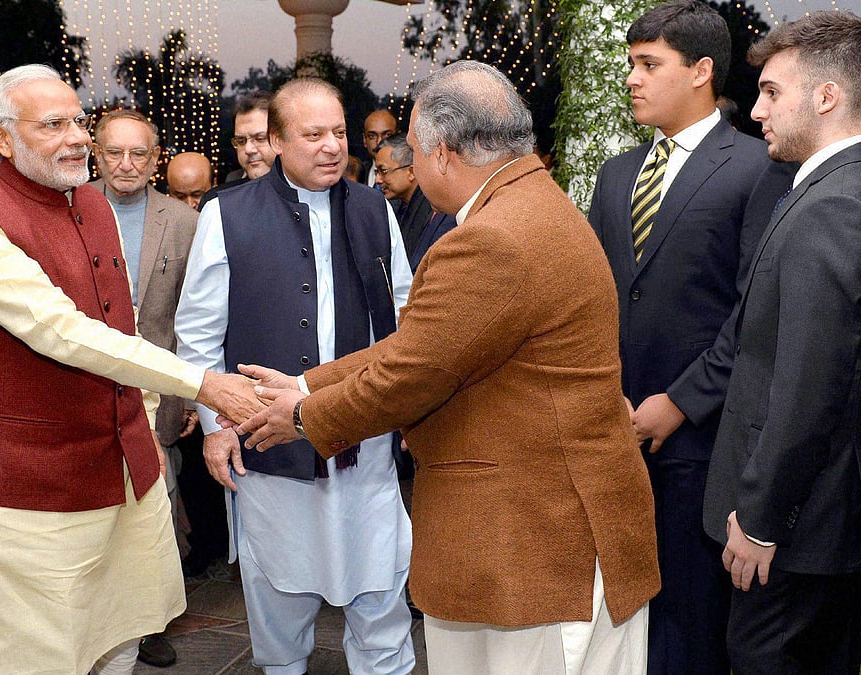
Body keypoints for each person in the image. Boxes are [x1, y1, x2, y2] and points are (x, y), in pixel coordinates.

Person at [237, 61, 660, 674]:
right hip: (550, 532)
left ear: (443, 154)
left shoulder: (493, 238)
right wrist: (307, 382)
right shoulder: (533, 204)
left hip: (538, 545)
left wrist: (302, 414)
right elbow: (428, 345)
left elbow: (411, 371)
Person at [0, 64, 260, 675]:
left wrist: (152, 427)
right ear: (1, 139)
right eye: (52, 124)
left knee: (125, 633)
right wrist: (201, 383)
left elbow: (123, 322)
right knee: (39, 653)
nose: (76, 137)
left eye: (78, 120)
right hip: (36, 482)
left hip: (127, 468)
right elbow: (62, 332)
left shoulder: (92, 202)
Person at [174, 77, 416, 675]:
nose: (333, 146)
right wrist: (216, 426)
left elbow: (407, 314)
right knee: (278, 594)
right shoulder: (225, 213)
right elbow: (199, 333)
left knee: (380, 587)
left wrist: (406, 409)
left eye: (339, 131)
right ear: (277, 141)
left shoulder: (371, 207)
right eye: (314, 135)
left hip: (364, 440)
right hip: (265, 440)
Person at [702, 11, 861, 674]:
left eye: (771, 92)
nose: (757, 109)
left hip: (803, 529)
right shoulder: (848, 186)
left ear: (826, 97)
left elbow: (808, 386)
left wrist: (762, 519)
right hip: (823, 522)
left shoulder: (838, 204)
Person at [586, 3, 778, 673]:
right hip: (613, 434)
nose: (632, 79)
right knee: (618, 616)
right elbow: (599, 299)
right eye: (630, 65)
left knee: (690, 623)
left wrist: (682, 400)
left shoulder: (756, 169)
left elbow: (757, 313)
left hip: (704, 441)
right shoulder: (616, 175)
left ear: (701, 71)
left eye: (649, 65)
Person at [91, 108, 202, 669]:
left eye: (139, 154)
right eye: (114, 152)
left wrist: (187, 395)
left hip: (157, 384)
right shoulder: (72, 209)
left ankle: (153, 621)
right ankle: (101, 619)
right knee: (99, 508)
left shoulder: (181, 221)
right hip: (86, 384)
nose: (126, 164)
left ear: (156, 160)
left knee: (160, 501)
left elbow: (193, 314)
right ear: (96, 153)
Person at [374, 133, 456, 273]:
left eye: (384, 171)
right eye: (377, 172)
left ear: (411, 172)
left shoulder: (437, 209)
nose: (377, 180)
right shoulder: (396, 207)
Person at [199, 91, 276, 208]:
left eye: (260, 138)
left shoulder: (309, 193)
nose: (248, 149)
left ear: (281, 139)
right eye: (241, 141)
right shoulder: (217, 203)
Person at [359, 108, 398, 186]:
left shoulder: (410, 175)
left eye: (387, 135)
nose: (379, 142)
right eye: (372, 136)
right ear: (364, 140)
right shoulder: (359, 173)